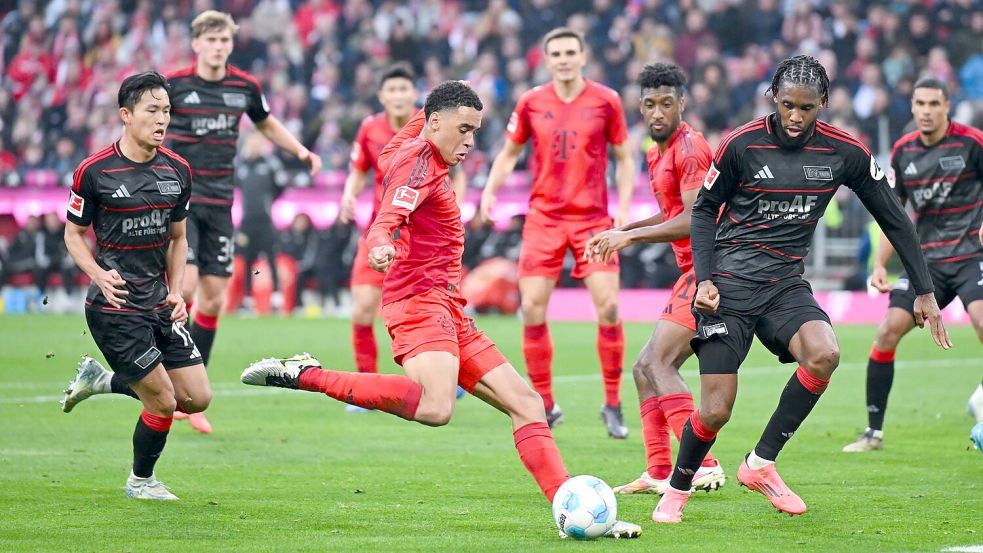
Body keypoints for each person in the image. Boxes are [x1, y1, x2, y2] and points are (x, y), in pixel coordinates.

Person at [240, 81, 640, 539]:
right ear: (435, 125)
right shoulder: (418, 166)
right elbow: (387, 217)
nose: (470, 142)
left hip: (449, 307)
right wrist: (380, 245)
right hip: (418, 302)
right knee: (436, 407)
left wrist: (459, 90)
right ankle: (305, 374)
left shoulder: (411, 139)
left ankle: (571, 509)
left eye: (475, 131)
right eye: (464, 130)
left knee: (528, 404)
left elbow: (431, 109)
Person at [650, 55, 951, 524]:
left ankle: (761, 463)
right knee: (714, 410)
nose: (794, 117)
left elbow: (894, 217)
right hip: (728, 284)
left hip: (785, 283)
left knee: (825, 353)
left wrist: (925, 290)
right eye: (787, 105)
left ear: (823, 104)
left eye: (806, 108)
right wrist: (705, 279)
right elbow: (705, 210)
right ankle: (678, 486)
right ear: (773, 98)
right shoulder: (740, 144)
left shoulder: (845, 152)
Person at [165, 10, 322, 433]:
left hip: (220, 204)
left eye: (224, 40)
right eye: (211, 40)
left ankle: (192, 397)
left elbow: (267, 124)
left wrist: (300, 151)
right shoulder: (174, 86)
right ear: (196, 43)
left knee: (214, 300)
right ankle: (168, 379)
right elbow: (150, 127)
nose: (218, 46)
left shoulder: (244, 87)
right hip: (180, 200)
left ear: (231, 45)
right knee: (188, 288)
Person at [479, 27, 635, 437]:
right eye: (556, 53)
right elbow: (509, 152)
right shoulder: (531, 101)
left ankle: (613, 404)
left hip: (592, 220)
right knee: (531, 308)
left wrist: (621, 207)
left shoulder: (607, 101)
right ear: (547, 60)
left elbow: (624, 155)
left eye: (570, 52)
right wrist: (489, 193)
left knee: (610, 308)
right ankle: (546, 404)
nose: (564, 59)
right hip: (544, 218)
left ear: (583, 56)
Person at [59, 71, 208, 500]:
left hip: (159, 300)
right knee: (162, 401)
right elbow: (73, 235)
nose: (162, 119)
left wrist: (177, 290)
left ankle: (101, 381)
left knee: (196, 399)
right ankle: (141, 481)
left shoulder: (178, 170)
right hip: (115, 304)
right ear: (126, 115)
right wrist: (97, 274)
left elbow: (179, 239)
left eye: (166, 110)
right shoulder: (94, 171)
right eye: (152, 110)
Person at [584, 63, 724, 495]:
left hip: (713, 271)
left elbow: (694, 219)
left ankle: (705, 464)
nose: (658, 111)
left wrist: (630, 238)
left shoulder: (691, 148)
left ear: (682, 103)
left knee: (654, 364)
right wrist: (624, 230)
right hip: (691, 271)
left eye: (667, 102)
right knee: (644, 370)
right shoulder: (655, 150)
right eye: (650, 104)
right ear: (640, 107)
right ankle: (660, 470)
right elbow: (671, 213)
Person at [842, 78, 983, 452]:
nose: (925, 111)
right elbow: (893, 215)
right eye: (919, 103)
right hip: (927, 263)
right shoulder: (903, 152)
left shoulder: (972, 143)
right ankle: (873, 433)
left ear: (947, 106)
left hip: (971, 257)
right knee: (888, 331)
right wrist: (880, 265)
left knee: (982, 319)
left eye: (933, 104)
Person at [338, 64, 465, 392]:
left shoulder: (433, 124)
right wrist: (348, 196)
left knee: (439, 306)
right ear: (381, 96)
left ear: (414, 95)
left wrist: (454, 212)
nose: (397, 95)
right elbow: (359, 170)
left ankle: (456, 373)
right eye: (391, 90)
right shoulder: (370, 128)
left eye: (403, 90)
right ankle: (365, 383)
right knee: (363, 308)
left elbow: (457, 173)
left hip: (421, 236)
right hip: (381, 229)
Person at [236, 131, 288, 309]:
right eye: (252, 143)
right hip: (247, 220)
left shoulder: (270, 164)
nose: (255, 146)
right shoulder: (240, 165)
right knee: (247, 258)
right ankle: (247, 298)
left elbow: (281, 185)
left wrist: (269, 200)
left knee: (271, 255)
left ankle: (276, 296)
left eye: (258, 143)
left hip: (265, 220)